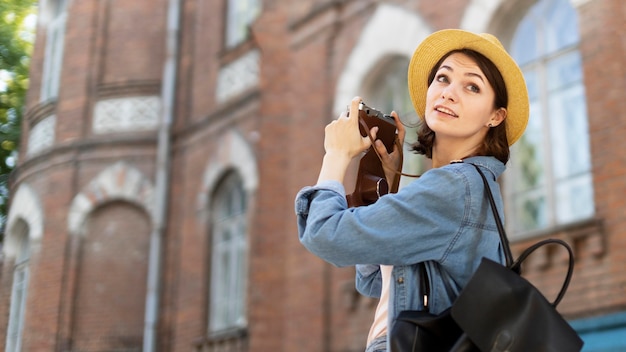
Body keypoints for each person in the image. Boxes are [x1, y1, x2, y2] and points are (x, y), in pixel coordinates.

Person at [295, 29, 529, 352]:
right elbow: (373, 280)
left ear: (495, 115)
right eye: (443, 79)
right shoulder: (473, 187)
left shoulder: (456, 187)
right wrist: (388, 185)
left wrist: (335, 156)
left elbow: (323, 234)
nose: (449, 93)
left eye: (472, 86)